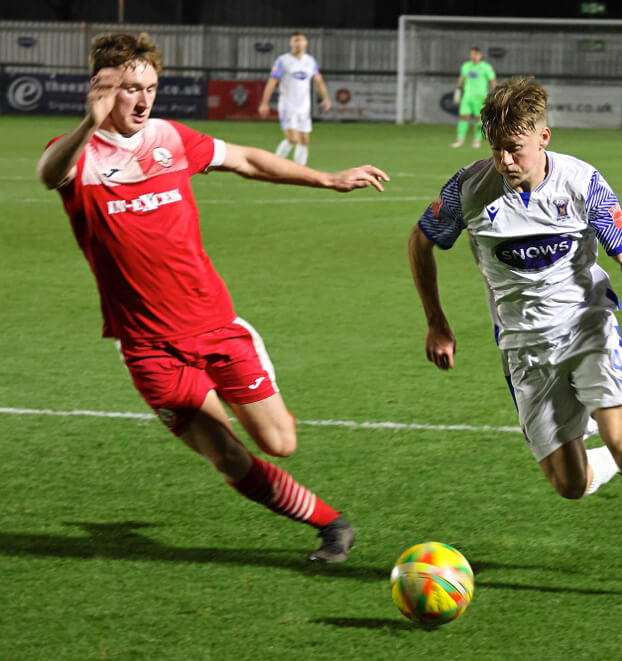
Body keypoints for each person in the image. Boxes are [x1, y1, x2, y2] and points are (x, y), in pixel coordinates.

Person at [37, 33, 388, 563]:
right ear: (103, 89)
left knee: (279, 443)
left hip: (215, 324)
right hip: (148, 346)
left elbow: (245, 159)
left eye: (150, 88)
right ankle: (330, 524)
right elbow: (49, 175)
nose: (143, 99)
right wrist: (90, 122)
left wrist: (329, 180)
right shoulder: (79, 156)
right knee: (226, 455)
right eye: (131, 89)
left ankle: (236, 388)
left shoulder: (169, 138)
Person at [409, 76, 622, 607]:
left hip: (589, 329)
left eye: (514, 148)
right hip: (524, 350)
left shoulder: (582, 182)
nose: (504, 159)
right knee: (570, 485)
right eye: (496, 148)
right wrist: (436, 321)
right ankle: (613, 449)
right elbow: (420, 241)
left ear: (543, 137)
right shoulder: (468, 189)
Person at [257, 32, 331, 166]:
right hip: (288, 105)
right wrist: (264, 103)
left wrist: (325, 98)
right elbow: (272, 82)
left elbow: (318, 81)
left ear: (305, 43)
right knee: (292, 139)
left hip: (304, 106)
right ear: (291, 44)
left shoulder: (310, 61)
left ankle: (300, 172)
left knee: (304, 141)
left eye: (300, 40)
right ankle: (273, 168)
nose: (297, 43)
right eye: (295, 41)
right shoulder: (283, 60)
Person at [450, 47, 496, 149]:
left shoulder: (486, 67)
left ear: (480, 55)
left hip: (480, 97)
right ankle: (460, 140)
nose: (474, 56)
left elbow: (492, 80)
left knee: (478, 119)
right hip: (467, 96)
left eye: (476, 54)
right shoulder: (466, 66)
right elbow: (462, 78)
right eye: (472, 54)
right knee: (463, 117)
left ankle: (477, 140)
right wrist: (458, 90)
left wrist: (494, 93)